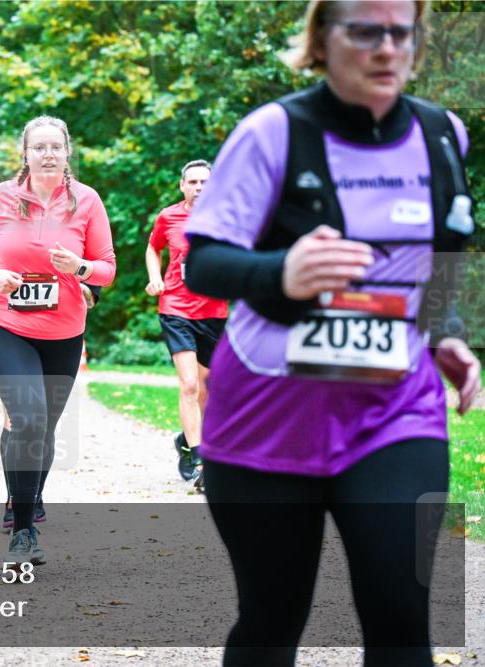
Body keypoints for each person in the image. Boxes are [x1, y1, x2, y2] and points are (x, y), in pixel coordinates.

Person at [183, 1, 481, 664]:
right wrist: (281, 270)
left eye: (401, 31)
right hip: (268, 415)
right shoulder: (272, 133)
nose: (386, 48)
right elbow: (203, 262)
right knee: (271, 618)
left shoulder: (441, 134)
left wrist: (444, 333)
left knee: (401, 614)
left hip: (394, 410)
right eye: (366, 31)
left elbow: (442, 256)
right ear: (323, 38)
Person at [0, 115, 116, 566]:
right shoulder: (2, 198)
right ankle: (24, 530)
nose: (47, 154)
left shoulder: (86, 201)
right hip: (4, 323)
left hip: (65, 331)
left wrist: (80, 269)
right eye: (38, 147)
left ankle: (22, 494)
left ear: (68, 153)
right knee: (26, 417)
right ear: (24, 153)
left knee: (43, 428)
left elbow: (106, 265)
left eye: (55, 147)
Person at [0, 246, 102, 529]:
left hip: (59, 329)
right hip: (8, 326)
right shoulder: (7, 206)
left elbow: (96, 267)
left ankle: (33, 493)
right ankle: (15, 500)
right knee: (17, 417)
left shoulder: (76, 211)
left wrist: (85, 289)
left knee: (43, 424)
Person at [146, 160, 228, 488]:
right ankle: (200, 460)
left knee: (207, 389)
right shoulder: (168, 217)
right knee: (190, 385)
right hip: (176, 308)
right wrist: (155, 279)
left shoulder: (226, 218)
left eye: (205, 182)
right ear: (182, 186)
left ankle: (186, 437)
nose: (198, 188)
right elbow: (153, 248)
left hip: (214, 312)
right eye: (192, 182)